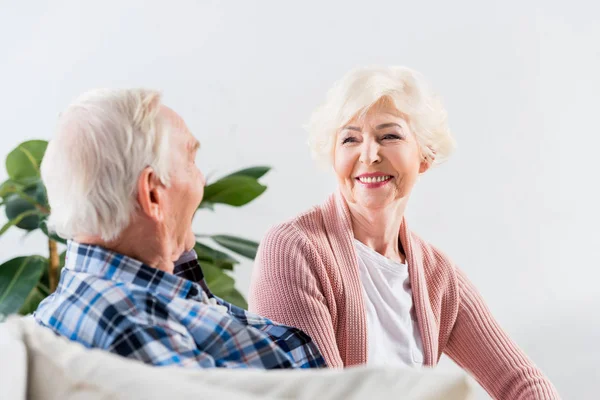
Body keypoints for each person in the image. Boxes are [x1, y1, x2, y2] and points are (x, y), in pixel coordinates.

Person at [249, 66, 559, 399]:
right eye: (350, 139)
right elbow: (319, 394)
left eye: (390, 136)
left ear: (425, 156)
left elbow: (523, 383)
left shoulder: (436, 275)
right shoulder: (293, 249)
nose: (369, 155)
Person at [34, 88, 325, 369]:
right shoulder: (131, 325)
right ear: (152, 194)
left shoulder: (124, 297)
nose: (202, 181)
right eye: (191, 161)